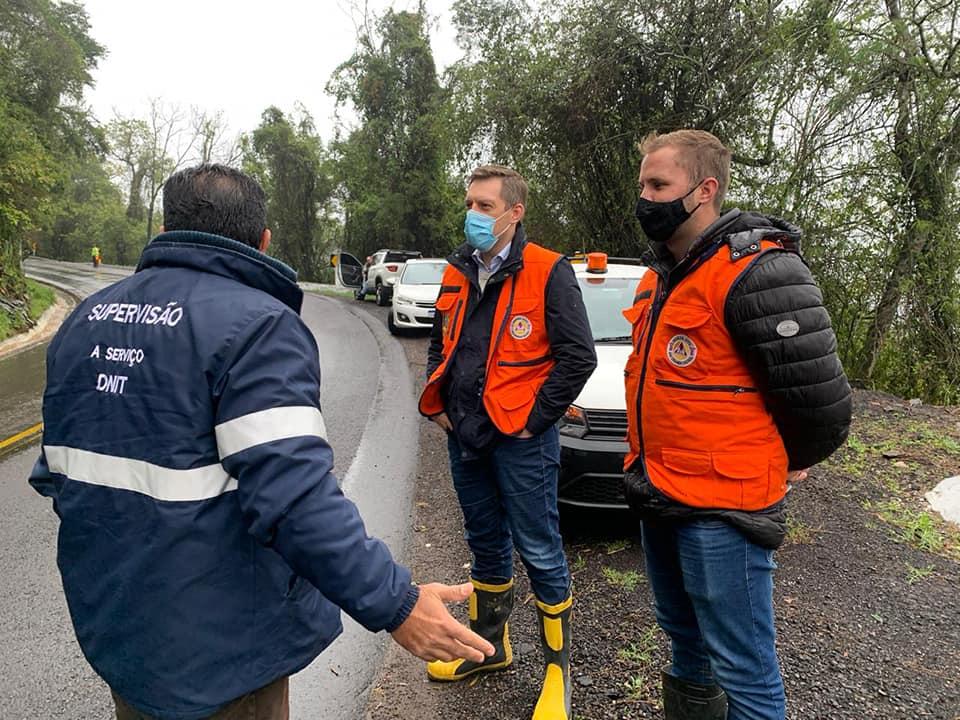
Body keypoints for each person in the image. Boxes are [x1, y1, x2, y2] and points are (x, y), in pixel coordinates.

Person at [29, 164, 493, 720]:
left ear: (168, 226)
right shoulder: (258, 326)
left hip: (118, 633)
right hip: (223, 653)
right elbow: (295, 500)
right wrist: (398, 603)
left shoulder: (85, 321)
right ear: (262, 239)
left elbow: (55, 474)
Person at [622, 130, 852, 720]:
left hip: (725, 509)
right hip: (660, 493)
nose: (644, 197)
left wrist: (785, 459)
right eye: (643, 184)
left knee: (744, 667)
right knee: (684, 642)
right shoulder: (660, 277)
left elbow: (821, 405)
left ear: (705, 190)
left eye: (658, 185)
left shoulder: (760, 273)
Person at [419, 164, 597, 720]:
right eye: (470, 204)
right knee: (485, 544)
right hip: (465, 435)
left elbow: (578, 358)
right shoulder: (457, 271)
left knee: (540, 548)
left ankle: (557, 676)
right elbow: (438, 346)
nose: (473, 215)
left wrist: (532, 422)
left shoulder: (548, 271)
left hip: (521, 442)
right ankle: (491, 650)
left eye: (485, 207)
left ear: (515, 212)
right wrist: (443, 409)